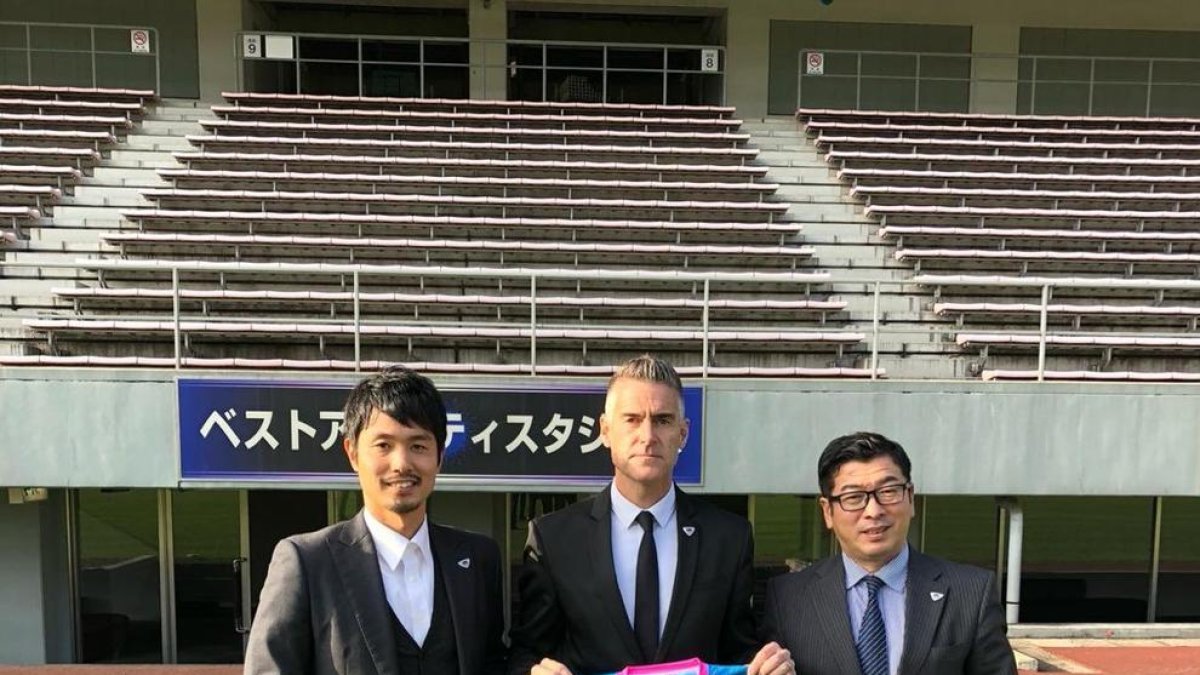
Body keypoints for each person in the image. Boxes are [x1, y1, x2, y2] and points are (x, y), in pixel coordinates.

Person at [510, 355, 794, 675]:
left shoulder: (729, 538)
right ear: (605, 430)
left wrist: (768, 667)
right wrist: (533, 672)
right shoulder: (554, 538)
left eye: (662, 420)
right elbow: (525, 652)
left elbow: (738, 652)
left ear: (683, 434)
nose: (647, 436)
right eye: (632, 419)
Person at [244, 367, 508, 675]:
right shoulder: (307, 561)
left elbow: (493, 663)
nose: (402, 464)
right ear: (353, 454)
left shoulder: (478, 558)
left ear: (439, 456)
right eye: (383, 445)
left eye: (418, 446)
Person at [761, 432, 1016, 675]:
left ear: (911, 497)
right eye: (853, 497)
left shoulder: (970, 593)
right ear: (828, 511)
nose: (873, 511)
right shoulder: (787, 600)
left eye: (888, 492)